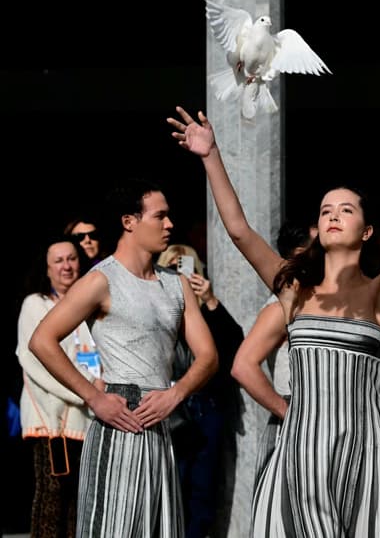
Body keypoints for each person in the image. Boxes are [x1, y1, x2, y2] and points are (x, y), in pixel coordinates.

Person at [168, 104, 380, 537]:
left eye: (345, 209)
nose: (334, 215)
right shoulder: (293, 289)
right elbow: (241, 231)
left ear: (367, 230)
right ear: (317, 230)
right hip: (302, 447)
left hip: (369, 447)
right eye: (325, 211)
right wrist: (211, 157)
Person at [28, 177, 219, 538]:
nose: (169, 224)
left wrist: (176, 394)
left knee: (160, 528)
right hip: (118, 417)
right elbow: (42, 340)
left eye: (169, 216)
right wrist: (94, 396)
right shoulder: (102, 280)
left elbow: (208, 356)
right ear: (129, 221)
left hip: (161, 417)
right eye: (159, 216)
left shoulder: (177, 284)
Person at [157, 243, 245, 538]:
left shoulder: (207, 312)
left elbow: (234, 343)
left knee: (203, 489)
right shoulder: (157, 307)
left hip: (206, 405)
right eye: (171, 269)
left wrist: (210, 300)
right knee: (173, 486)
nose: (179, 275)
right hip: (170, 405)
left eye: (186, 269)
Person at [16, 235, 99, 538]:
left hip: (91, 420)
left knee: (82, 505)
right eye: (59, 260)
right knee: (52, 500)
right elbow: (35, 361)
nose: (67, 266)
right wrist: (89, 389)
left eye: (72, 258)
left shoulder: (92, 306)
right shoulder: (35, 305)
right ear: (47, 269)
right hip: (54, 424)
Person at [230, 219, 315, 483]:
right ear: (301, 255)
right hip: (295, 427)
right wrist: (289, 412)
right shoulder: (282, 305)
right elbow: (243, 366)